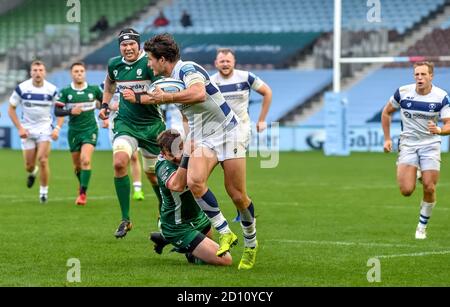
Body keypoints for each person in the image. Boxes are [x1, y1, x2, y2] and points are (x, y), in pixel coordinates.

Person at [128, 33, 258, 269]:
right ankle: (225, 232)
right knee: (195, 182)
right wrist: (136, 99)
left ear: (163, 59)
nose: (147, 63)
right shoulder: (168, 79)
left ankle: (251, 243)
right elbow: (166, 101)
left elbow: (198, 94)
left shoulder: (188, 69)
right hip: (204, 137)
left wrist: (165, 97)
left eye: (149, 58)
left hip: (229, 133)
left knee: (237, 195)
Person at [98, 28, 165, 238]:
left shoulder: (149, 64)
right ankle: (125, 219)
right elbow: (109, 83)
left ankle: (163, 211)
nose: (128, 48)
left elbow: (160, 94)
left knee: (154, 176)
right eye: (124, 45)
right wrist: (105, 104)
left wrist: (137, 96)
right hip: (126, 123)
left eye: (131, 44)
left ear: (139, 45)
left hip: (152, 125)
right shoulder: (114, 65)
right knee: (119, 163)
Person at [382, 61, 450, 240]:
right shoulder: (403, 92)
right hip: (408, 144)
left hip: (430, 144)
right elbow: (386, 112)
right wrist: (387, 138)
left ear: (431, 76)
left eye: (423, 74)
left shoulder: (441, 96)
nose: (419, 78)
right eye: (416, 74)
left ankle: (421, 226)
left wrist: (441, 130)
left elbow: (448, 123)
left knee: (429, 186)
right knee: (406, 191)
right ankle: (417, 173)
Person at [149, 129, 232, 266]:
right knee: (225, 260)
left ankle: (164, 239)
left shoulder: (190, 153)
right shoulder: (163, 166)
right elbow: (177, 185)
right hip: (178, 226)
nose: (178, 156)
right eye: (172, 154)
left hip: (199, 217)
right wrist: (188, 155)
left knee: (215, 252)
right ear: (163, 154)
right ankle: (183, 247)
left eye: (180, 150)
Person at [211, 48, 272, 222]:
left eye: (228, 61)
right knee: (230, 177)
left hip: (240, 130)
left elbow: (267, 92)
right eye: (221, 61)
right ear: (216, 63)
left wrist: (262, 120)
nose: (225, 64)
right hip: (218, 132)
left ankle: (244, 208)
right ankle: (242, 204)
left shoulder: (246, 77)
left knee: (232, 176)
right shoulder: (211, 82)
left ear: (234, 62)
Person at [8, 60, 59, 203]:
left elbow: (60, 110)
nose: (38, 73)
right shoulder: (22, 88)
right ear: (31, 72)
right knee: (29, 165)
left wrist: (57, 128)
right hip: (27, 131)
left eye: (40, 70)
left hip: (45, 130)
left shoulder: (52, 89)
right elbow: (11, 109)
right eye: (35, 70)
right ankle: (32, 172)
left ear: (45, 72)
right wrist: (20, 128)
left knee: (43, 160)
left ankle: (43, 192)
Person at [54, 62, 104, 205]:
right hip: (74, 131)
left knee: (85, 160)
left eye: (81, 71)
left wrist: (104, 115)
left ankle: (82, 193)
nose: (79, 73)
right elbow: (57, 111)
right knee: (77, 166)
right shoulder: (66, 92)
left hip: (90, 129)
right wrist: (70, 111)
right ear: (71, 74)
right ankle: (82, 185)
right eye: (76, 71)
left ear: (85, 73)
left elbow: (104, 103)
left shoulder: (93, 90)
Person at [100, 81, 145, 201]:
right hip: (114, 126)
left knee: (134, 157)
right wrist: (108, 108)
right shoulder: (104, 84)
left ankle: (137, 189)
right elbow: (100, 102)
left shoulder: (132, 80)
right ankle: (124, 189)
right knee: (120, 160)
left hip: (131, 124)